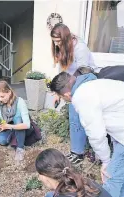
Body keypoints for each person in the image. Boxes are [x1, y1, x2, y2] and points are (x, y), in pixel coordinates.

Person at [49, 71, 124, 197]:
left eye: (62, 97)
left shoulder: (82, 97)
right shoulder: (92, 84)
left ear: (67, 95)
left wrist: (105, 161)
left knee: (111, 176)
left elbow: (96, 134)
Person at [50, 23, 97, 164]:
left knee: (80, 117)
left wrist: (67, 88)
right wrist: (58, 93)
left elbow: (84, 70)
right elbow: (62, 71)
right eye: (54, 41)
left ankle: (83, 152)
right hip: (70, 84)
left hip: (85, 81)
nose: (55, 44)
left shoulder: (80, 48)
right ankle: (76, 151)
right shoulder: (62, 48)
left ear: (65, 38)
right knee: (73, 117)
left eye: (58, 41)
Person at [0, 80, 38, 161]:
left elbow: (27, 125)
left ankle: (20, 148)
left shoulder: (20, 102)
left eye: (2, 96)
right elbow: (0, 119)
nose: (0, 99)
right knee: (2, 141)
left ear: (9, 92)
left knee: (18, 119)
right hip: (10, 127)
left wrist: (8, 126)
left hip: (24, 127)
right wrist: (0, 125)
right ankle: (16, 137)